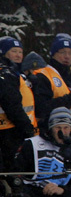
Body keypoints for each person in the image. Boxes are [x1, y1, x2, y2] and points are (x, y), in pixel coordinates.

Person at [11, 107, 71, 197]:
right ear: (51, 128)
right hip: (31, 196)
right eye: (58, 127)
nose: (62, 132)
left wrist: (61, 190)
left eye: (66, 128)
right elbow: (15, 173)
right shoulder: (32, 145)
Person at [32, 33, 71, 162]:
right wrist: (69, 99)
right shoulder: (44, 75)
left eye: (70, 53)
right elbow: (41, 108)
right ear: (53, 54)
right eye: (62, 52)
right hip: (52, 139)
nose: (67, 56)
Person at [0, 37, 36, 172]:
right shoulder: (6, 73)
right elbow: (12, 104)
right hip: (9, 132)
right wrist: (27, 127)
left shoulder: (15, 73)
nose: (18, 55)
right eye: (14, 51)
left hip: (14, 130)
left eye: (20, 51)